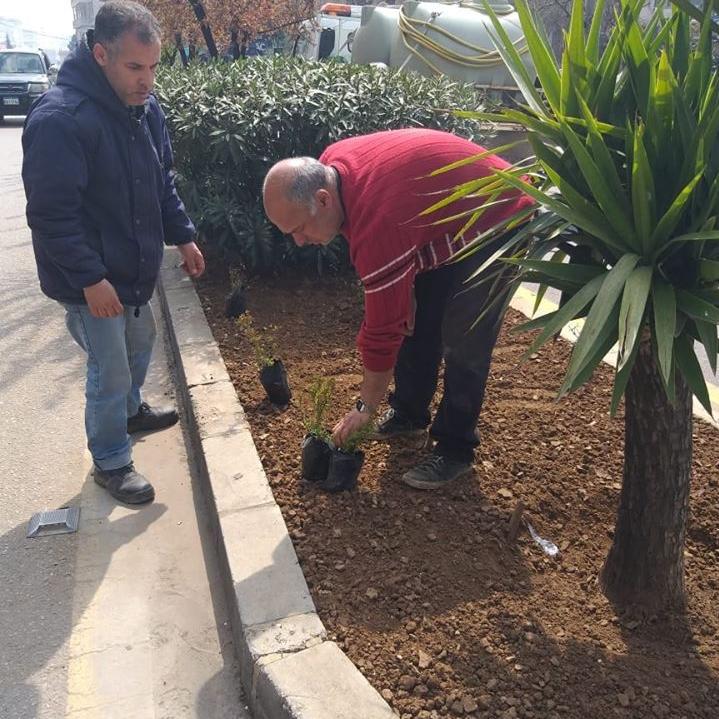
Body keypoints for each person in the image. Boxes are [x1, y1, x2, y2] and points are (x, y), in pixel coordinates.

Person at [263, 128, 533, 490]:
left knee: (464, 338)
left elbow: (382, 330)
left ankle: (456, 448)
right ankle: (409, 412)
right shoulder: (332, 167)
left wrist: (365, 408)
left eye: (299, 228)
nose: (299, 241)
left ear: (323, 199)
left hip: (499, 218)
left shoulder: (378, 222)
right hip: (451, 218)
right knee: (416, 318)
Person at [22, 1, 205, 504]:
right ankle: (111, 459)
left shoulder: (143, 110)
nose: (147, 80)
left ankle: (129, 411)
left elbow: (161, 181)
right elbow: (52, 216)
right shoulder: (61, 119)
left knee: (139, 343)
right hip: (91, 278)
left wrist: (183, 234)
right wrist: (89, 279)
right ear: (100, 54)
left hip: (135, 267)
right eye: (134, 67)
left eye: (152, 68)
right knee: (110, 367)